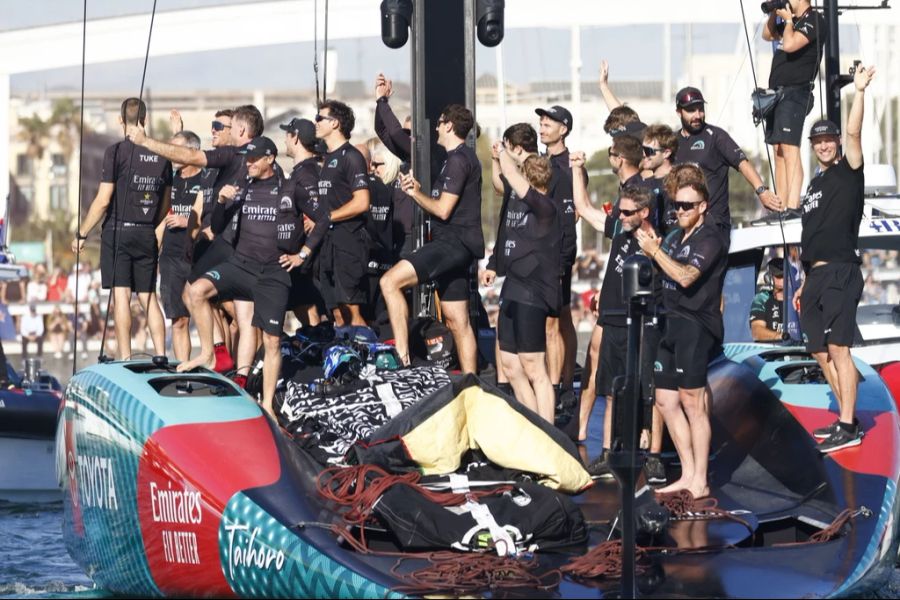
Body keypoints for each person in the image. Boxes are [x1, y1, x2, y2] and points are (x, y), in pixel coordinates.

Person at [128, 105, 266, 380]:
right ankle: (226, 362)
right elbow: (191, 164)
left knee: (228, 308)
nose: (215, 132)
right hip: (234, 244)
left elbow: (191, 155)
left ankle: (224, 359)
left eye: (221, 127)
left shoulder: (238, 155)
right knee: (203, 297)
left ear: (239, 130)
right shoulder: (261, 155)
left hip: (237, 246)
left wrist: (145, 142)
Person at [793, 64, 876, 453]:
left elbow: (856, 132)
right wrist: (805, 281)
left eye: (830, 139)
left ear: (838, 142)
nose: (825, 145)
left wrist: (858, 92)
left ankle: (848, 423)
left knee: (840, 349)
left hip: (843, 271)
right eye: (818, 141)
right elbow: (812, 237)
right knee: (818, 350)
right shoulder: (815, 184)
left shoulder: (848, 171)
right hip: (816, 277)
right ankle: (846, 416)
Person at [636, 164, 729, 499]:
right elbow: (661, 269)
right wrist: (653, 244)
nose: (680, 211)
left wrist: (656, 252)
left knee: (693, 401)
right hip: (668, 321)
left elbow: (687, 276)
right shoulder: (675, 236)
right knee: (664, 399)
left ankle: (700, 479)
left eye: (687, 206)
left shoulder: (711, 237)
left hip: (696, 324)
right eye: (677, 205)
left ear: (702, 206)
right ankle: (688, 472)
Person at [179, 136, 290, 417]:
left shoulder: (286, 188)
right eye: (247, 158)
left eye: (253, 159)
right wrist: (219, 200)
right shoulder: (243, 188)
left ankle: (264, 402)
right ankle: (208, 352)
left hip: (271, 272)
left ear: (270, 159)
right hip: (240, 264)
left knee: (269, 337)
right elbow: (216, 226)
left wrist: (303, 253)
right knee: (195, 291)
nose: (248, 163)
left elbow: (320, 218)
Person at [571, 155, 664, 482]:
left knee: (646, 389)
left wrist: (655, 250)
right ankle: (609, 454)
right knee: (610, 390)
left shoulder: (655, 241)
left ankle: (651, 455)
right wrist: (576, 168)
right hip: (611, 318)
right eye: (619, 211)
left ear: (644, 213)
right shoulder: (619, 228)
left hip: (641, 322)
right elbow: (582, 206)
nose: (621, 217)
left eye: (627, 213)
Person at [380, 104, 483, 373]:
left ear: (449, 126)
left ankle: (402, 360)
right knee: (457, 320)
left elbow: (443, 209)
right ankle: (472, 380)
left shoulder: (459, 160)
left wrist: (415, 194)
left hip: (451, 244)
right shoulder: (458, 158)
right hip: (459, 245)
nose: (436, 127)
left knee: (389, 282)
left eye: (439, 122)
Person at [73, 97, 170, 360]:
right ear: (145, 120)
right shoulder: (163, 155)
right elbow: (166, 202)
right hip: (146, 232)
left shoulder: (115, 152)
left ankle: (125, 357)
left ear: (120, 120)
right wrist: (150, 224)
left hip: (118, 232)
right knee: (148, 297)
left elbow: (103, 200)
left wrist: (82, 233)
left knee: (122, 296)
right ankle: (161, 354)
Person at [484, 145, 560, 423]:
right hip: (512, 288)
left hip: (533, 293)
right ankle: (534, 424)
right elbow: (506, 180)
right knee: (511, 365)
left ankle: (550, 433)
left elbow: (511, 176)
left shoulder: (545, 207)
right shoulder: (518, 199)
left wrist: (503, 152)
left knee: (533, 366)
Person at [673, 87, 781, 231]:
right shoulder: (672, 142)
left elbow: (742, 163)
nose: (698, 115)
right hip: (682, 223)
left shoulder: (716, 136)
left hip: (713, 223)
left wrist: (762, 191)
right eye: (691, 110)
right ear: (679, 112)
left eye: (701, 109)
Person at [762, 0, 827, 209]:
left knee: (790, 147)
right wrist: (774, 12)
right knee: (778, 148)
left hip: (796, 91)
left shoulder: (814, 19)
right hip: (777, 93)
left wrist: (788, 20)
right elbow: (767, 35)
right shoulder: (793, 22)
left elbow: (790, 45)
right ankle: (780, 206)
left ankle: (792, 205)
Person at [535, 104, 581, 395]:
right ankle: (555, 382)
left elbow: (577, 209)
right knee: (550, 320)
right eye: (540, 122)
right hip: (537, 255)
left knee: (560, 319)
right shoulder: (538, 161)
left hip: (559, 254)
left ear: (563, 129)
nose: (542, 126)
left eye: (548, 122)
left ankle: (563, 385)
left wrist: (563, 257)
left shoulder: (570, 164)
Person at [314, 99, 372, 327]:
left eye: (320, 118)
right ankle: (348, 358)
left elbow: (362, 202)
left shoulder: (352, 156)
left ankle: (369, 356)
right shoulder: (327, 159)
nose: (315, 122)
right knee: (337, 314)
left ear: (335, 123)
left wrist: (329, 216)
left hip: (349, 241)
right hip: (328, 243)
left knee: (351, 312)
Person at [155, 130, 205, 362]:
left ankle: (216, 366)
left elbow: (215, 219)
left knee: (209, 315)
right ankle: (182, 368)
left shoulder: (206, 179)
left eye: (177, 149)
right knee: (178, 319)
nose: (172, 153)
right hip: (171, 257)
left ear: (192, 152)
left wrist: (187, 222)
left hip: (200, 255)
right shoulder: (169, 180)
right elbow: (159, 222)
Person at [279, 117, 330, 326]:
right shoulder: (305, 171)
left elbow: (323, 216)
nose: (284, 141)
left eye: (287, 135)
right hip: (304, 259)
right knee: (302, 305)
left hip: (308, 260)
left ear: (296, 138)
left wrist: (302, 253)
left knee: (311, 311)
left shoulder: (307, 174)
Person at [374, 73, 411, 163]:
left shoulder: (419, 151)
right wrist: (382, 101)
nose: (405, 137)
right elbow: (381, 130)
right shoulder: (406, 155)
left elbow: (396, 133)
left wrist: (382, 100)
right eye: (404, 132)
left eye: (409, 134)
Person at [750, 258, 786, 342]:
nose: (783, 279)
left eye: (785, 275)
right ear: (768, 278)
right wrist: (781, 336)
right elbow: (757, 331)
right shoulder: (761, 298)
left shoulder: (797, 298)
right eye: (779, 276)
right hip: (770, 351)